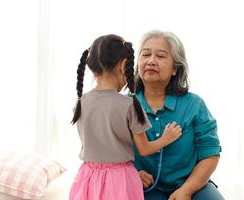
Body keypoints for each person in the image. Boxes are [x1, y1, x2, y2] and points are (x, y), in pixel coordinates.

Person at [69, 34, 183, 200]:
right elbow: (144, 149)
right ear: (123, 65)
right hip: (120, 179)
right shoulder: (129, 105)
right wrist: (165, 138)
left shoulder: (81, 102)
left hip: (87, 176)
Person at [133, 30, 225, 200]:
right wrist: (130, 174)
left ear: (175, 68)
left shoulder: (195, 105)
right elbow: (110, 153)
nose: (151, 61)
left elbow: (210, 153)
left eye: (160, 56)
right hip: (141, 188)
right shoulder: (124, 105)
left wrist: (187, 190)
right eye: (145, 54)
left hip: (191, 184)